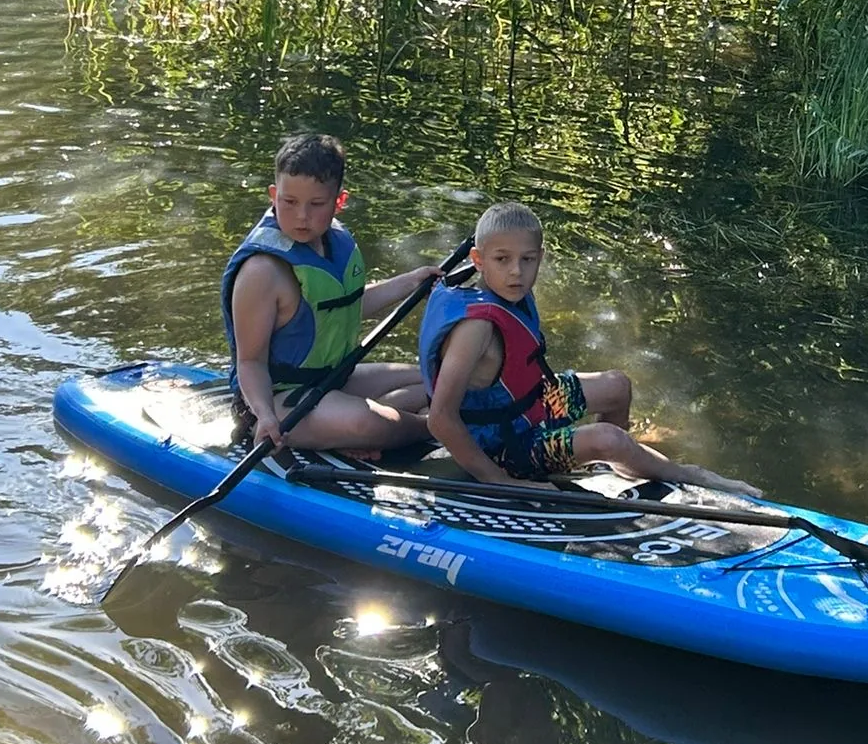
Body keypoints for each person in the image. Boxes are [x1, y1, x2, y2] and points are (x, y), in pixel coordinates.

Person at [419, 201, 758, 495]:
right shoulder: (475, 328)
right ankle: (686, 474)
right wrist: (497, 480)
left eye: (528, 259)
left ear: (540, 257)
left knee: (617, 386)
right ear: (478, 260)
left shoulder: (509, 293)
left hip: (528, 407)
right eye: (502, 259)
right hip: (502, 448)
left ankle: (617, 467)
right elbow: (441, 419)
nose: (516, 272)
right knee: (607, 439)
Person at [223, 132, 438, 455]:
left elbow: (340, 309)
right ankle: (430, 427)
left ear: (340, 201)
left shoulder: (332, 242)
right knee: (366, 423)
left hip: (333, 380)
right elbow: (250, 361)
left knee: (438, 380)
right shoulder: (262, 271)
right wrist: (265, 415)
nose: (301, 217)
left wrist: (411, 282)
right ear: (273, 195)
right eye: (289, 202)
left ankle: (356, 431)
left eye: (316, 204)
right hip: (278, 401)